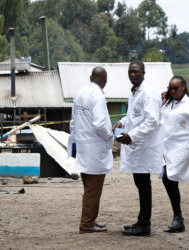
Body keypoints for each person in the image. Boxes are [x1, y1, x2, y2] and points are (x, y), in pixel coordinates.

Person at [113, 60, 163, 236]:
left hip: (144, 146)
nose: (132, 74)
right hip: (137, 146)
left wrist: (131, 135)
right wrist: (122, 122)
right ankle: (141, 221)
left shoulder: (148, 93)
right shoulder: (135, 92)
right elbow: (132, 116)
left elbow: (151, 121)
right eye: (130, 72)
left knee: (143, 184)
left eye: (136, 71)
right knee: (140, 183)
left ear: (143, 72)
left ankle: (144, 225)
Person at [69, 66, 114, 234]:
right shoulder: (98, 96)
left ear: (91, 77)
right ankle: (87, 223)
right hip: (95, 149)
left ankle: (91, 219)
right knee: (93, 190)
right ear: (104, 80)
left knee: (89, 187)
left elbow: (73, 123)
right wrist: (111, 137)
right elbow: (100, 124)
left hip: (82, 146)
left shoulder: (80, 93)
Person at [159, 75, 189, 233]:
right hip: (166, 146)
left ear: (183, 87)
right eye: (170, 88)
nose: (173, 91)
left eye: (176, 88)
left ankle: (178, 217)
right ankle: (178, 219)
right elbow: (160, 122)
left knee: (169, 177)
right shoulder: (167, 105)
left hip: (182, 146)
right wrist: (163, 104)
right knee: (169, 179)